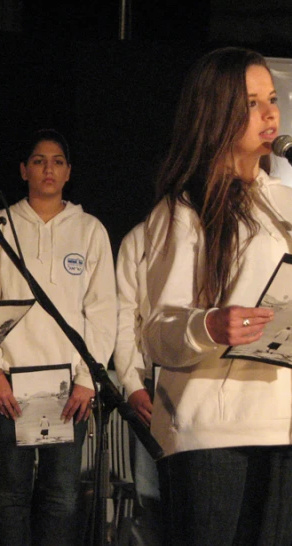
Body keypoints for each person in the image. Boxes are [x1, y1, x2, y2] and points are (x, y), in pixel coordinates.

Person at [140, 47, 292, 546]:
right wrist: (210, 326)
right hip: (215, 431)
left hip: (288, 428)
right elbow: (157, 332)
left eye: (272, 99)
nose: (271, 113)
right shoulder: (184, 209)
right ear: (215, 113)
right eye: (252, 102)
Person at [0, 128, 117, 545]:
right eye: (38, 161)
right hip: (11, 383)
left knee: (63, 496)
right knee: (11, 497)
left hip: (69, 385)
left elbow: (102, 309)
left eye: (57, 161)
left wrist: (88, 380)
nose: (47, 169)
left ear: (69, 171)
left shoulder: (90, 229)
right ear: (23, 170)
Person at [113, 220, 164, 545]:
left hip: (212, 385)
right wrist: (132, 384)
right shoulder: (140, 238)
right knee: (151, 500)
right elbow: (125, 314)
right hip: (155, 386)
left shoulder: (220, 229)